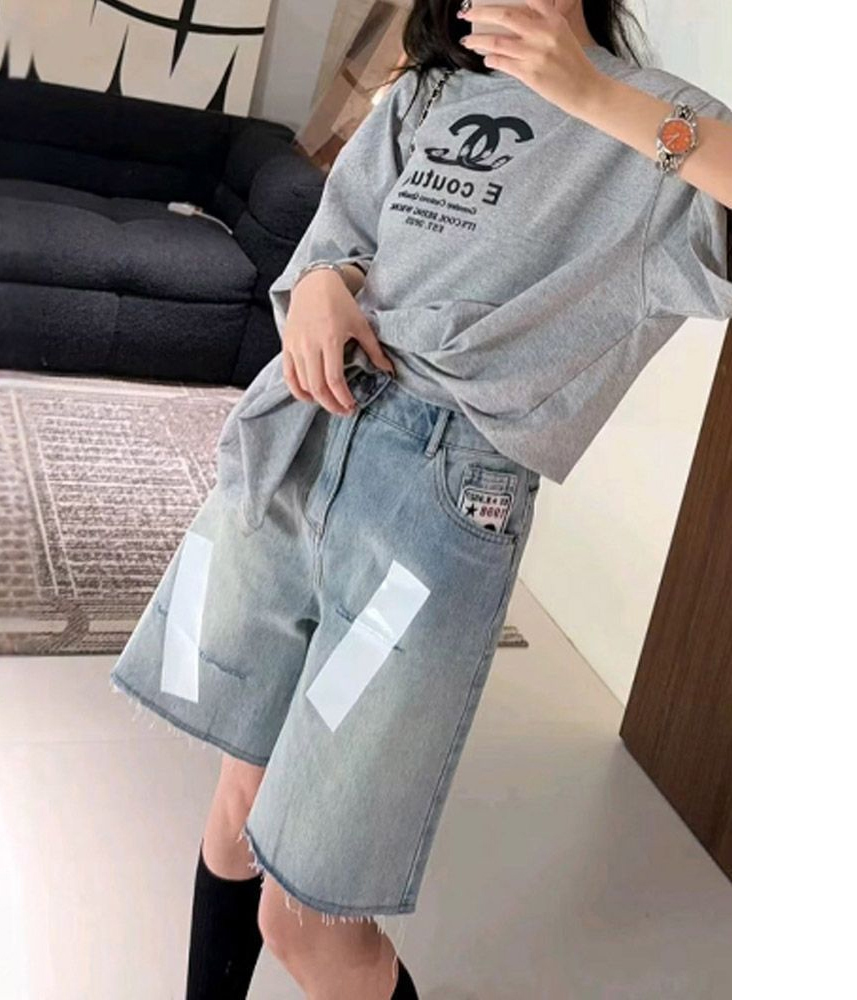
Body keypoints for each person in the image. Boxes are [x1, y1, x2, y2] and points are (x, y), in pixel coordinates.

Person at [109, 1, 732, 997]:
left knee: (306, 917)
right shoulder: (432, 92)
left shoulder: (660, 123)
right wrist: (322, 282)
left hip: (435, 499)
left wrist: (593, 93)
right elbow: (340, 237)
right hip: (303, 442)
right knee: (238, 799)